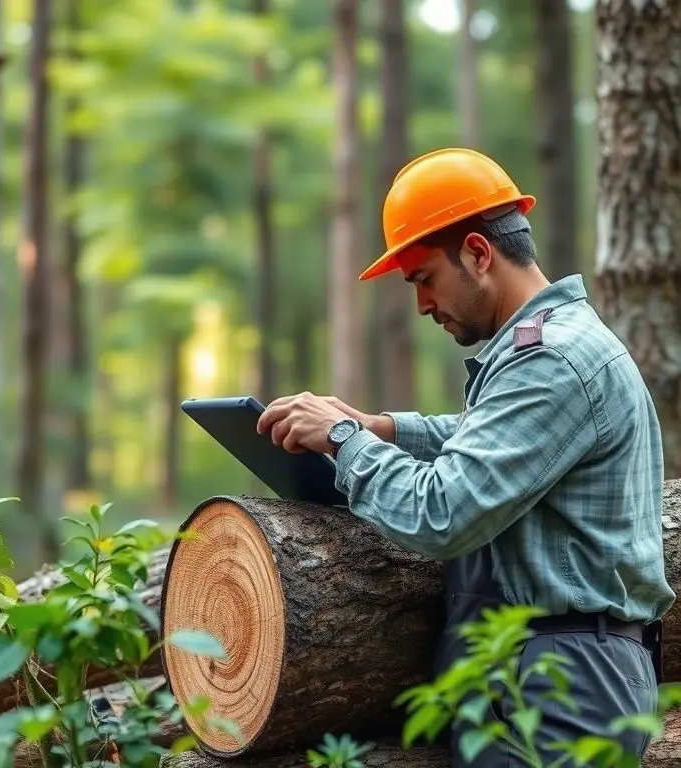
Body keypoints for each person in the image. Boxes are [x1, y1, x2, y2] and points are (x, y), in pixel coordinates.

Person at [256, 148, 676, 766]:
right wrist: (384, 429)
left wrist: (345, 442)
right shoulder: (553, 347)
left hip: (565, 685)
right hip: (556, 673)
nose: (423, 305)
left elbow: (444, 511)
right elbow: (495, 437)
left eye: (424, 278)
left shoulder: (550, 360)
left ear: (479, 254)